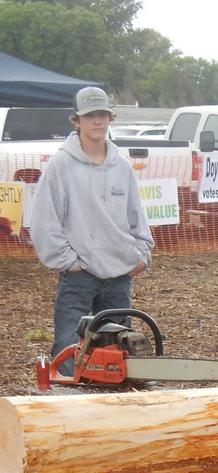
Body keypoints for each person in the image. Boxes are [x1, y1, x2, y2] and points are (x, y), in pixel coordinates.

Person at [30, 86, 152, 375]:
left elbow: (137, 217)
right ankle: (69, 409)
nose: (97, 121)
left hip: (119, 276)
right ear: (76, 121)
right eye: (90, 116)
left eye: (102, 115)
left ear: (110, 118)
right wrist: (69, 263)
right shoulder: (60, 166)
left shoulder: (121, 166)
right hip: (79, 278)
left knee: (119, 353)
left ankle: (112, 411)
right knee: (68, 351)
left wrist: (142, 254)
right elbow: (44, 221)